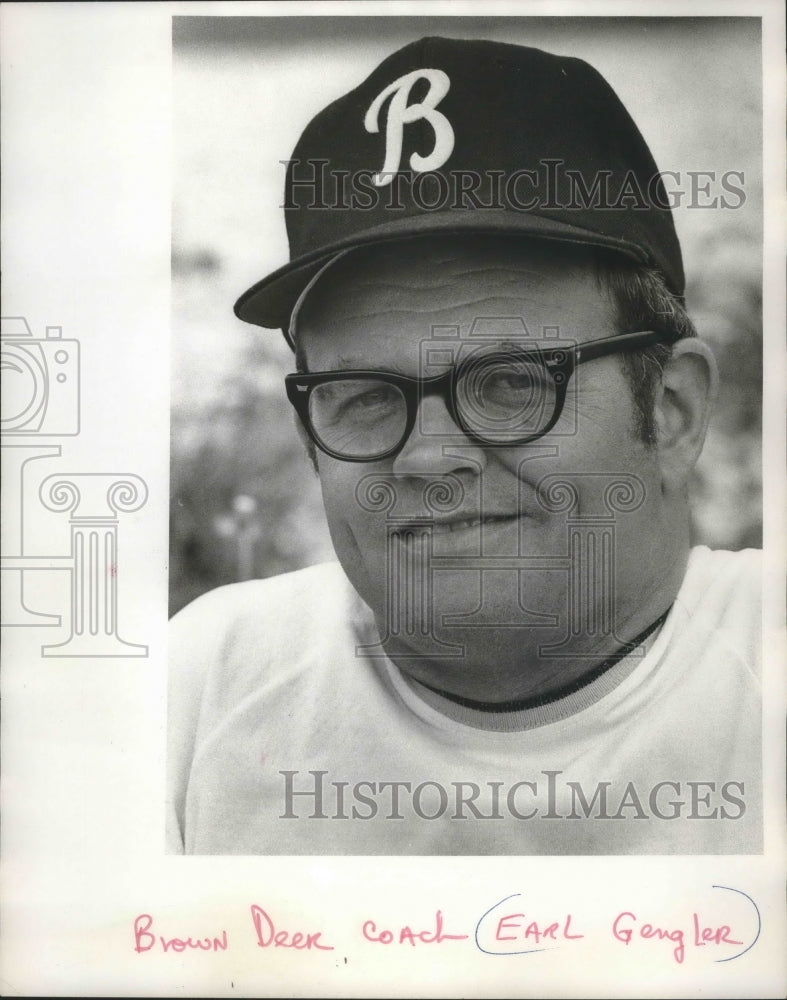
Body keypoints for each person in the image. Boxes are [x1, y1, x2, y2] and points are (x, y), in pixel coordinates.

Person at [167, 36, 761, 855]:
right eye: (366, 396)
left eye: (511, 382)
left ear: (670, 409)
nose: (426, 457)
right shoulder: (198, 691)